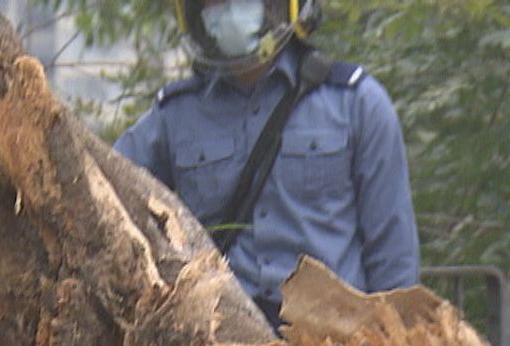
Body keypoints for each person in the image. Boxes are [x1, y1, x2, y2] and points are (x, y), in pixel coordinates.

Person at [113, 0, 419, 325]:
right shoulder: (173, 117)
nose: (227, 9)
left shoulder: (357, 103)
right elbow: (99, 185)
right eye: (213, 3)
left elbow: (393, 254)